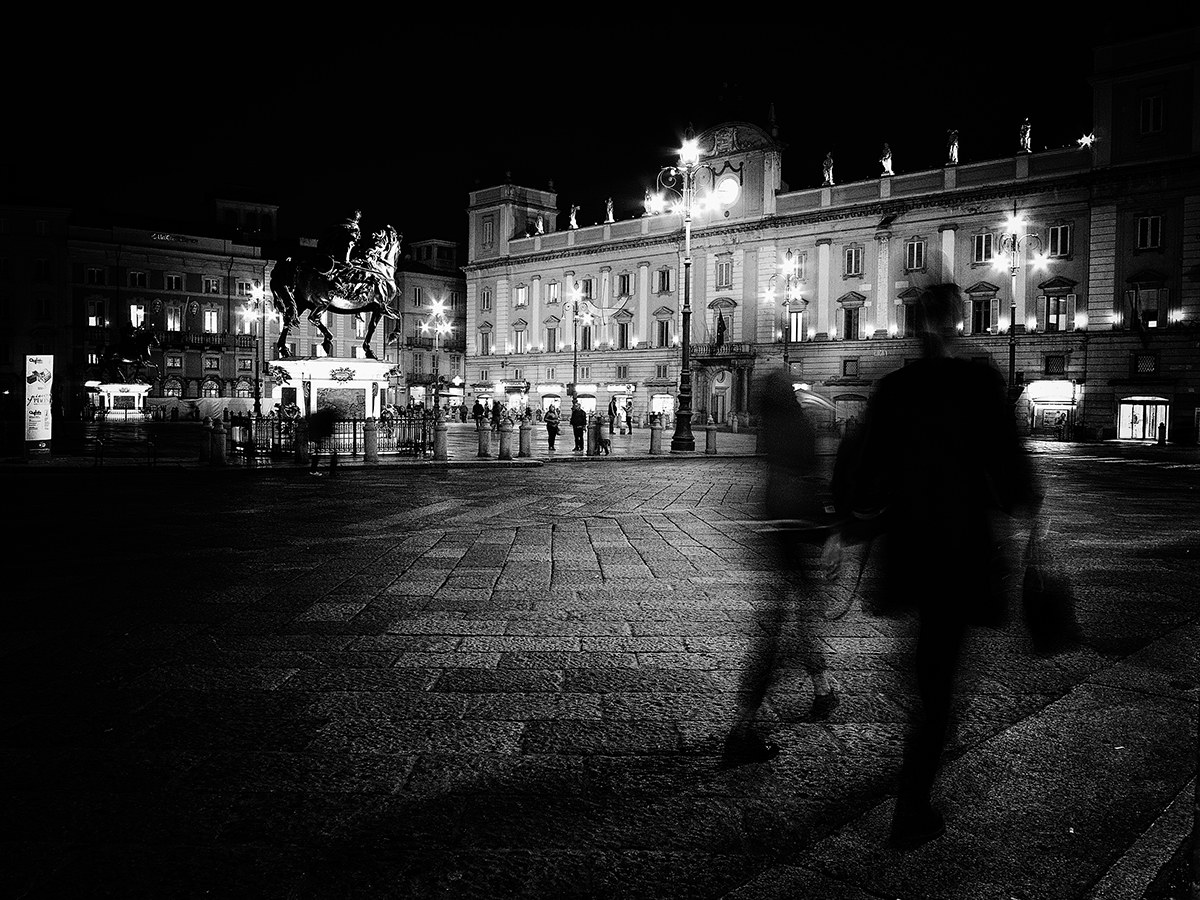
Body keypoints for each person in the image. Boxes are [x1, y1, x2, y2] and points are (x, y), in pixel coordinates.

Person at [835, 283, 1039, 850]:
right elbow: (1010, 461)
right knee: (942, 675)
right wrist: (1029, 516)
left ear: (914, 323)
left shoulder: (896, 388)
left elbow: (866, 469)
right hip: (962, 547)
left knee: (930, 659)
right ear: (959, 321)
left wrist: (852, 523)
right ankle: (912, 802)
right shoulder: (978, 383)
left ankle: (917, 748)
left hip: (912, 547)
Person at [722, 369, 838, 768]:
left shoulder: (768, 428)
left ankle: (822, 687)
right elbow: (811, 479)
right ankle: (744, 727)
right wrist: (830, 533)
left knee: (791, 621)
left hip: (774, 531)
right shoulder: (798, 425)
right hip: (799, 529)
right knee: (791, 630)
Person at [307, 406, 339, 477]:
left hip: (319, 437)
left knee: (317, 454)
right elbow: (328, 428)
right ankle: (332, 472)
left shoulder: (319, 417)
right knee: (333, 454)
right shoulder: (327, 418)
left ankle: (313, 470)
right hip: (325, 437)